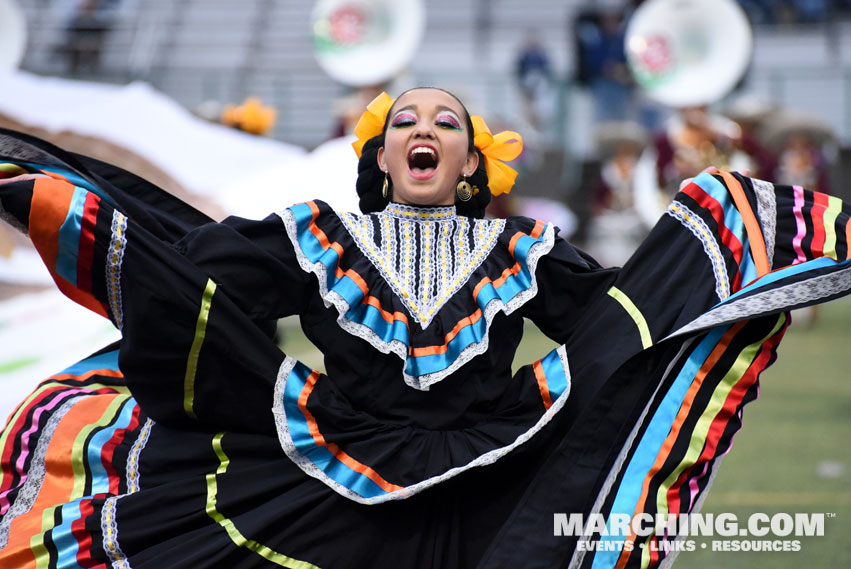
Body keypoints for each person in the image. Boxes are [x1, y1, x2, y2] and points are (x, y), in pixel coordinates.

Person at [0, 87, 849, 569]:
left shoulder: (525, 247)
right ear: (376, 157)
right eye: (403, 121)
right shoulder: (315, 233)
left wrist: (713, 260)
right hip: (333, 473)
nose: (424, 131)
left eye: (446, 123)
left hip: (495, 475)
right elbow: (195, 268)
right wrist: (74, 204)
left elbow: (615, 322)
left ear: (473, 162)